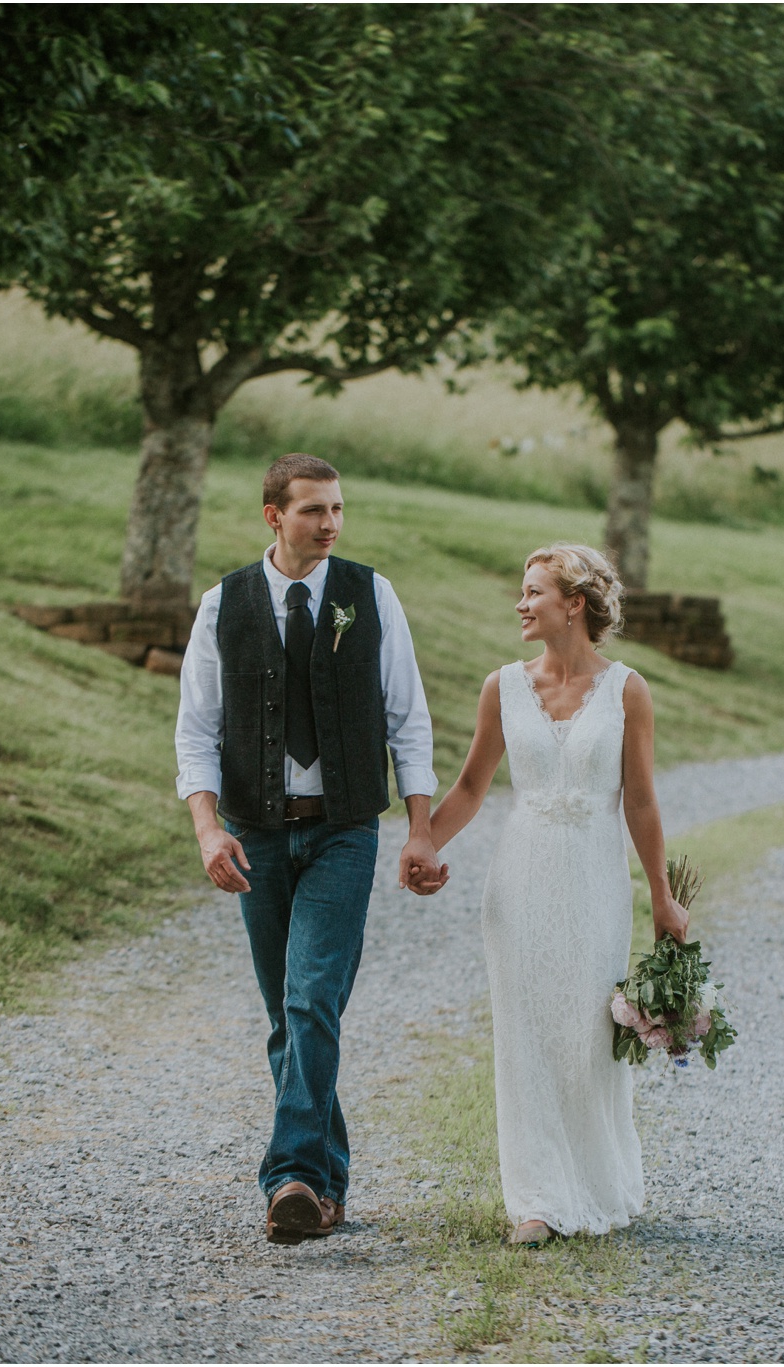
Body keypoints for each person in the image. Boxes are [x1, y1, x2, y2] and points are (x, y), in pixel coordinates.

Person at [174, 453, 442, 1245]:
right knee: (285, 1017)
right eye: (312, 510)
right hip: (255, 829)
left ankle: (287, 1174)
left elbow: (408, 717)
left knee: (310, 996)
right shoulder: (223, 602)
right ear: (272, 516)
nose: (329, 524)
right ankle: (326, 1187)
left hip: (344, 829)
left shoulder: (370, 593)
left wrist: (421, 827)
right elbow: (196, 728)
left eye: (337, 509)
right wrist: (206, 826)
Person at [411, 543, 688, 1245]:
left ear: (576, 603)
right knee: (528, 1034)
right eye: (522, 590)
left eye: (534, 591)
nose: (521, 603)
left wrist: (661, 894)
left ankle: (594, 1182)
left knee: (589, 1032)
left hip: (595, 876)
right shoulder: (501, 685)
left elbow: (642, 802)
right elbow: (472, 786)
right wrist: (425, 843)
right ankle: (535, 1198)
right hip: (521, 876)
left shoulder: (629, 689)